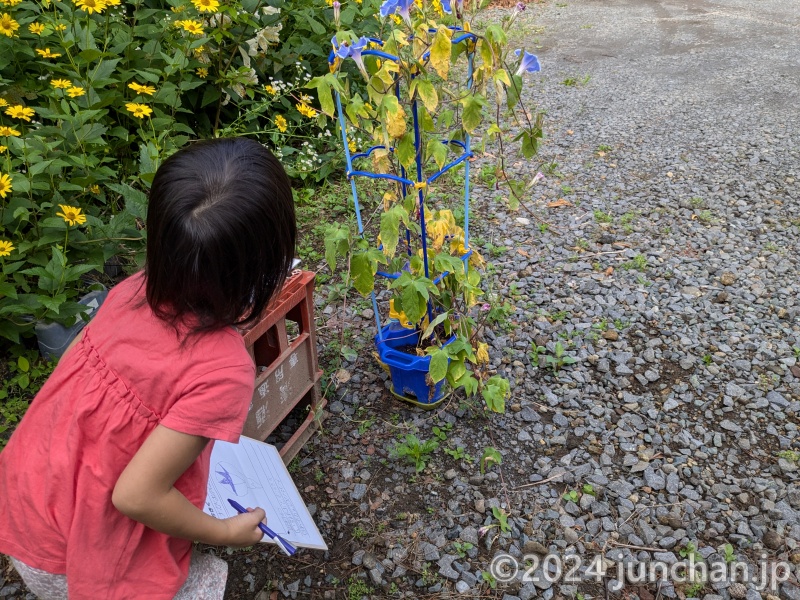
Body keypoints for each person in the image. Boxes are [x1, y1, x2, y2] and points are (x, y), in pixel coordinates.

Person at [0, 137, 297, 599]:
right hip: (72, 555)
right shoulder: (222, 368)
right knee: (201, 584)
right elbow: (134, 496)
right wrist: (224, 533)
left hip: (29, 502)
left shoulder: (130, 292)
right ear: (267, 262)